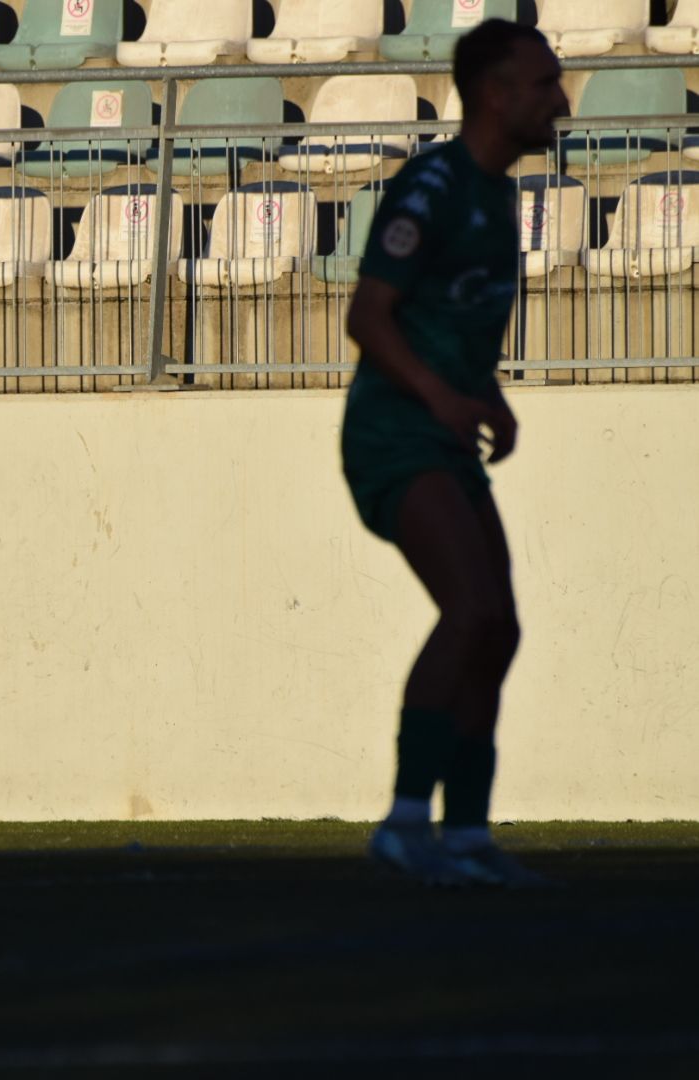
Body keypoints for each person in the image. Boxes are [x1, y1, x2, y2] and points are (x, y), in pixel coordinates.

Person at [343, 20, 568, 887]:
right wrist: (439, 397)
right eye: (544, 82)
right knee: (470, 608)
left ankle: (467, 835)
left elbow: (457, 327)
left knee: (499, 626)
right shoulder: (433, 185)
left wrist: (492, 400)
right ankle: (405, 825)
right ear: (495, 94)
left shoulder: (498, 195)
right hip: (395, 434)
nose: (560, 97)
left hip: (446, 432)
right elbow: (368, 315)